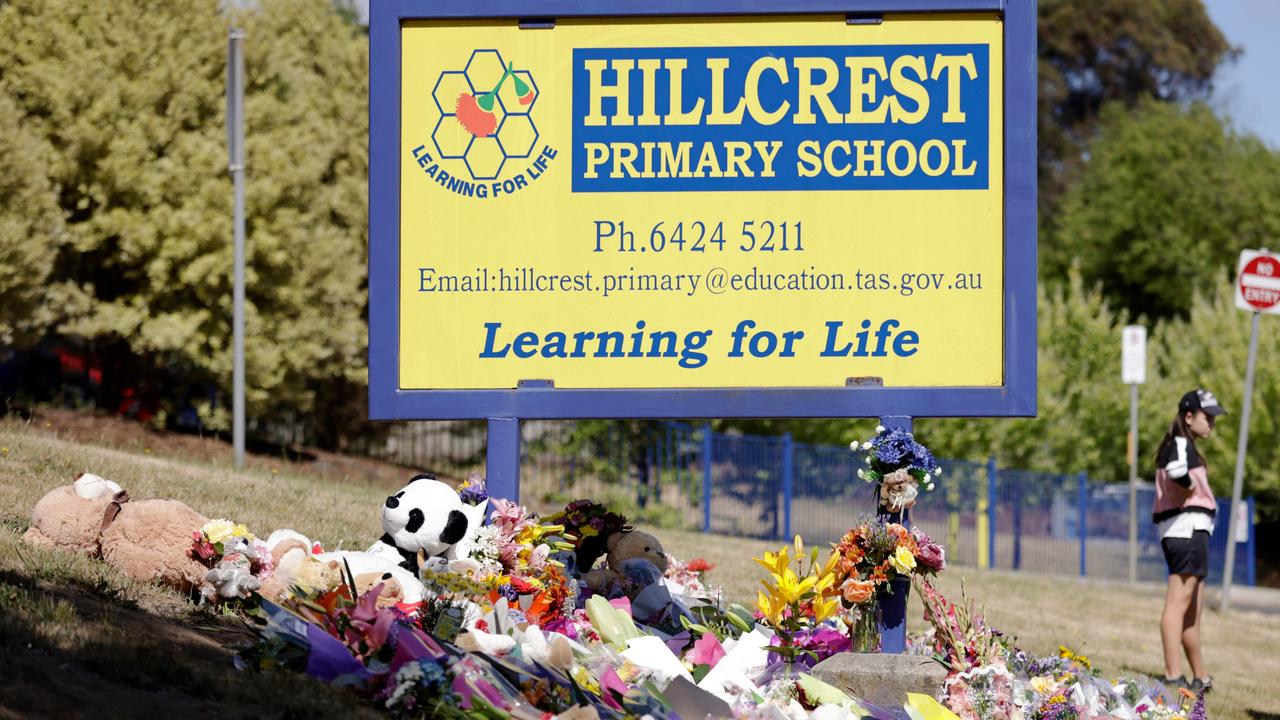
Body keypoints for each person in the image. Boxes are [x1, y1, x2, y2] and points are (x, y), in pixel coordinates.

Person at [1152, 388, 1225, 693]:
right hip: (1187, 530)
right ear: (1189, 416)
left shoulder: (1182, 444)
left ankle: (1201, 677)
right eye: (1207, 417)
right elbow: (1177, 471)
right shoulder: (1180, 443)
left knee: (1192, 610)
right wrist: (1190, 483)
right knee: (1177, 606)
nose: (1211, 423)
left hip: (1186, 532)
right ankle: (1173, 676)